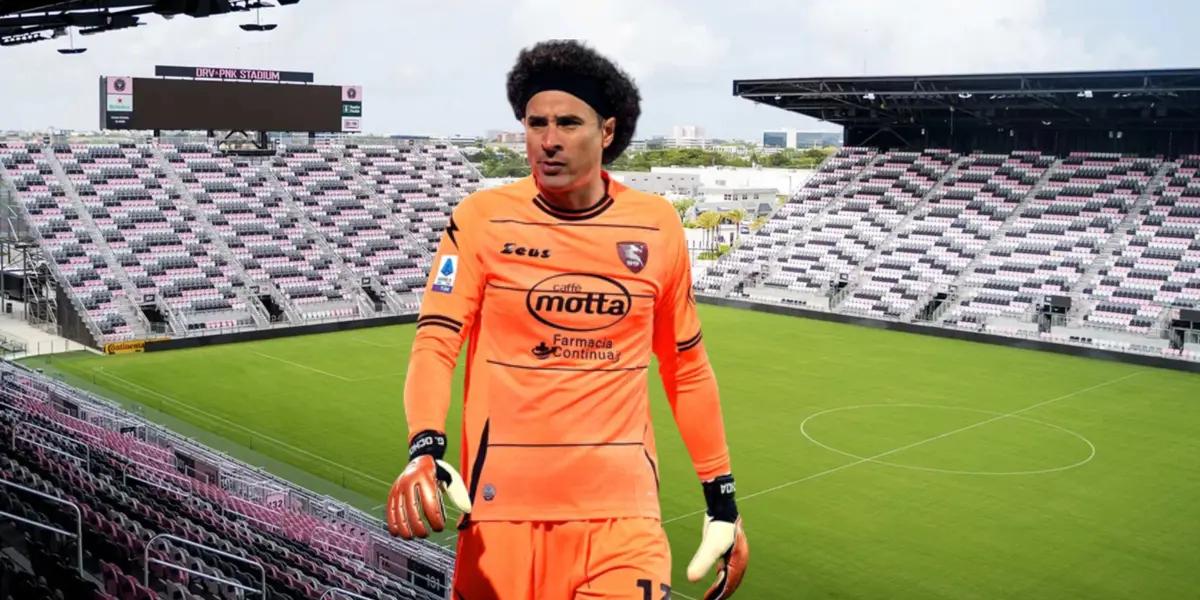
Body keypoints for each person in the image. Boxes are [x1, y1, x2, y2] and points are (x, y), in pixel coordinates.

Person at [387, 39, 749, 600]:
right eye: (536, 123)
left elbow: (687, 369)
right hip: (500, 519)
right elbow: (435, 342)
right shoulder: (482, 220)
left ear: (607, 131)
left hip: (623, 523)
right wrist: (425, 448)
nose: (548, 141)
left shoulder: (656, 226)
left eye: (568, 123)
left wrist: (722, 501)